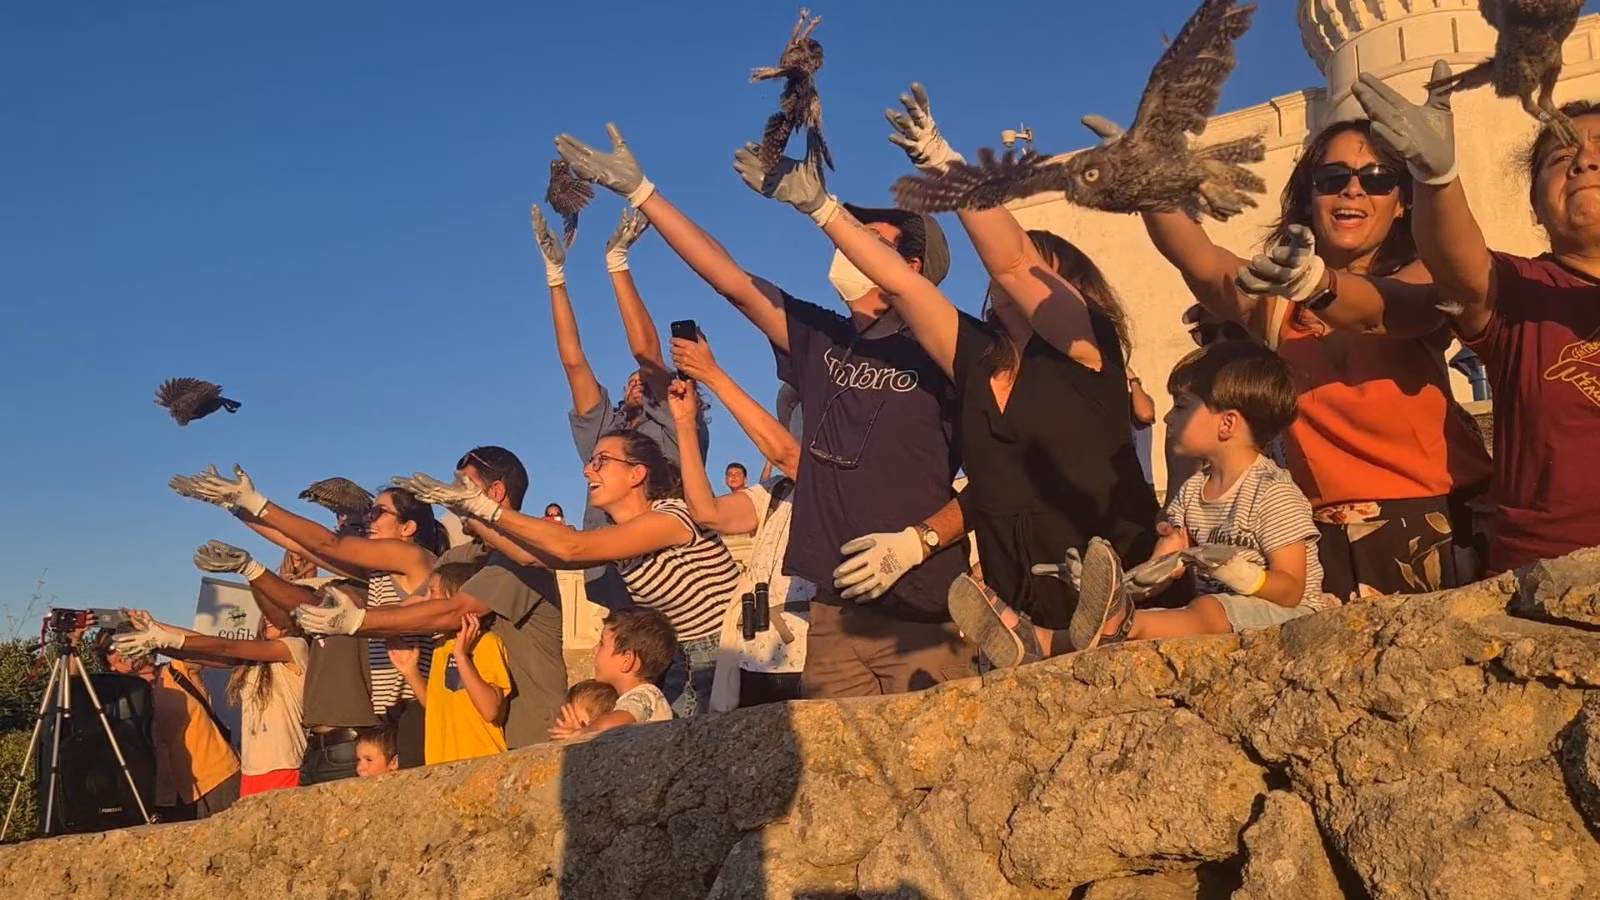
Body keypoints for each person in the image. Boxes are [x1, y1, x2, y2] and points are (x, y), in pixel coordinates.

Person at [554, 122, 975, 699]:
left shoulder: (955, 353)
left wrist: (919, 541)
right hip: (833, 616)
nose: (844, 245)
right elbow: (732, 281)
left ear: (913, 266)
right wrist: (643, 192)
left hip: (923, 611)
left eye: (866, 237)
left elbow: (996, 481)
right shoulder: (823, 339)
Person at [768, 84, 1160, 633]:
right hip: (1018, 617)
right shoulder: (978, 356)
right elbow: (900, 283)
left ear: (1070, 286)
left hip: (1117, 601)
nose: (1006, 267)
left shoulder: (1087, 349)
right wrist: (821, 209)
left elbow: (1015, 262)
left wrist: (943, 164)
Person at [1134, 110, 1491, 601]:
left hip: (1436, 520)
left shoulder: (1425, 274)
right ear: (1309, 195)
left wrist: (1317, 284)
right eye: (1332, 178)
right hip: (1320, 535)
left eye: (1378, 178)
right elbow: (1201, 261)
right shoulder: (1278, 302)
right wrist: (1145, 181)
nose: (1352, 190)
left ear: (1403, 203)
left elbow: (1390, 312)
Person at [1325, 64, 1600, 574]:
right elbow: (1459, 265)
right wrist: (1436, 178)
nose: (1583, 163)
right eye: (1562, 158)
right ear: (1535, 207)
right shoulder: (1518, 291)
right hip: (1550, 577)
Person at [954, 341, 1324, 664]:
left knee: (1204, 610)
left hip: (1287, 617)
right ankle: (1042, 640)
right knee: (1178, 613)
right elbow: (1161, 569)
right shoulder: (1192, 492)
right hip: (1226, 618)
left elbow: (1291, 590)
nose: (1166, 417)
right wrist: (1112, 586)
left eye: (1181, 406)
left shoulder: (1272, 491)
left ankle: (1113, 625)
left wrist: (1241, 575)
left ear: (1226, 424)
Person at [392, 430, 740, 718]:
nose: (589, 471)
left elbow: (570, 547)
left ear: (637, 473)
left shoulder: (671, 517)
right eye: (591, 462)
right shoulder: (620, 535)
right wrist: (472, 515)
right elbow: (532, 557)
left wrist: (486, 509)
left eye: (602, 461)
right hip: (685, 660)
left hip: (726, 653)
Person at [294, 447, 568, 749]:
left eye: (462, 487)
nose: (451, 495)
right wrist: (252, 514)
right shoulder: (460, 556)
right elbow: (416, 603)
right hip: (472, 738)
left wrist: (359, 621)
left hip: (531, 736)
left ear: (497, 491)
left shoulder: (523, 559)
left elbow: (452, 611)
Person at [169, 467, 446, 746]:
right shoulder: (383, 571)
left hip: (414, 707)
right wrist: (236, 507)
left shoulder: (413, 555)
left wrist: (255, 502)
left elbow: (329, 543)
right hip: (393, 713)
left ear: (408, 528)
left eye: (378, 513)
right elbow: (301, 546)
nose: (367, 519)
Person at [531, 205, 711, 611]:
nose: (636, 380)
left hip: (675, 581)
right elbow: (574, 363)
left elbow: (646, 354)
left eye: (643, 381)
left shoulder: (678, 427)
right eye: (629, 378)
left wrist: (617, 263)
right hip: (615, 582)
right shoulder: (605, 435)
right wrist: (556, 279)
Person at [668, 334, 811, 709]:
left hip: (814, 660)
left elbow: (786, 453)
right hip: (756, 662)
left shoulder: (839, 477)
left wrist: (712, 374)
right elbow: (706, 511)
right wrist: (685, 423)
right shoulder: (776, 490)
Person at [112, 601, 307, 798]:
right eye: (265, 612)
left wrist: (167, 639)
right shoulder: (251, 662)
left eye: (276, 612)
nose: (267, 617)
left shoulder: (295, 647)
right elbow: (206, 648)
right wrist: (153, 627)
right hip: (252, 770)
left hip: (286, 765)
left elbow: (225, 647)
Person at [389, 561, 511, 764]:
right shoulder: (441, 647)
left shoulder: (487, 643)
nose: (425, 599)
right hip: (443, 763)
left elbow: (490, 710)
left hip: (480, 763)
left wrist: (462, 657)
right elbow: (436, 705)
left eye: (432, 592)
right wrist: (410, 671)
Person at [103, 643, 240, 820]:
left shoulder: (178, 669)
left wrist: (153, 639)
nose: (122, 653)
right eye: (112, 652)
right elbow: (69, 699)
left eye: (124, 645)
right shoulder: (118, 696)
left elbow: (206, 651)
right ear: (111, 666)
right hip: (164, 796)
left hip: (215, 778)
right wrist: (73, 643)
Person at [550, 606, 678, 739]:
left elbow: (610, 725)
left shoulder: (643, 696)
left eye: (602, 644)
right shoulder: (642, 696)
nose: (595, 649)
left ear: (627, 661)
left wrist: (579, 734)